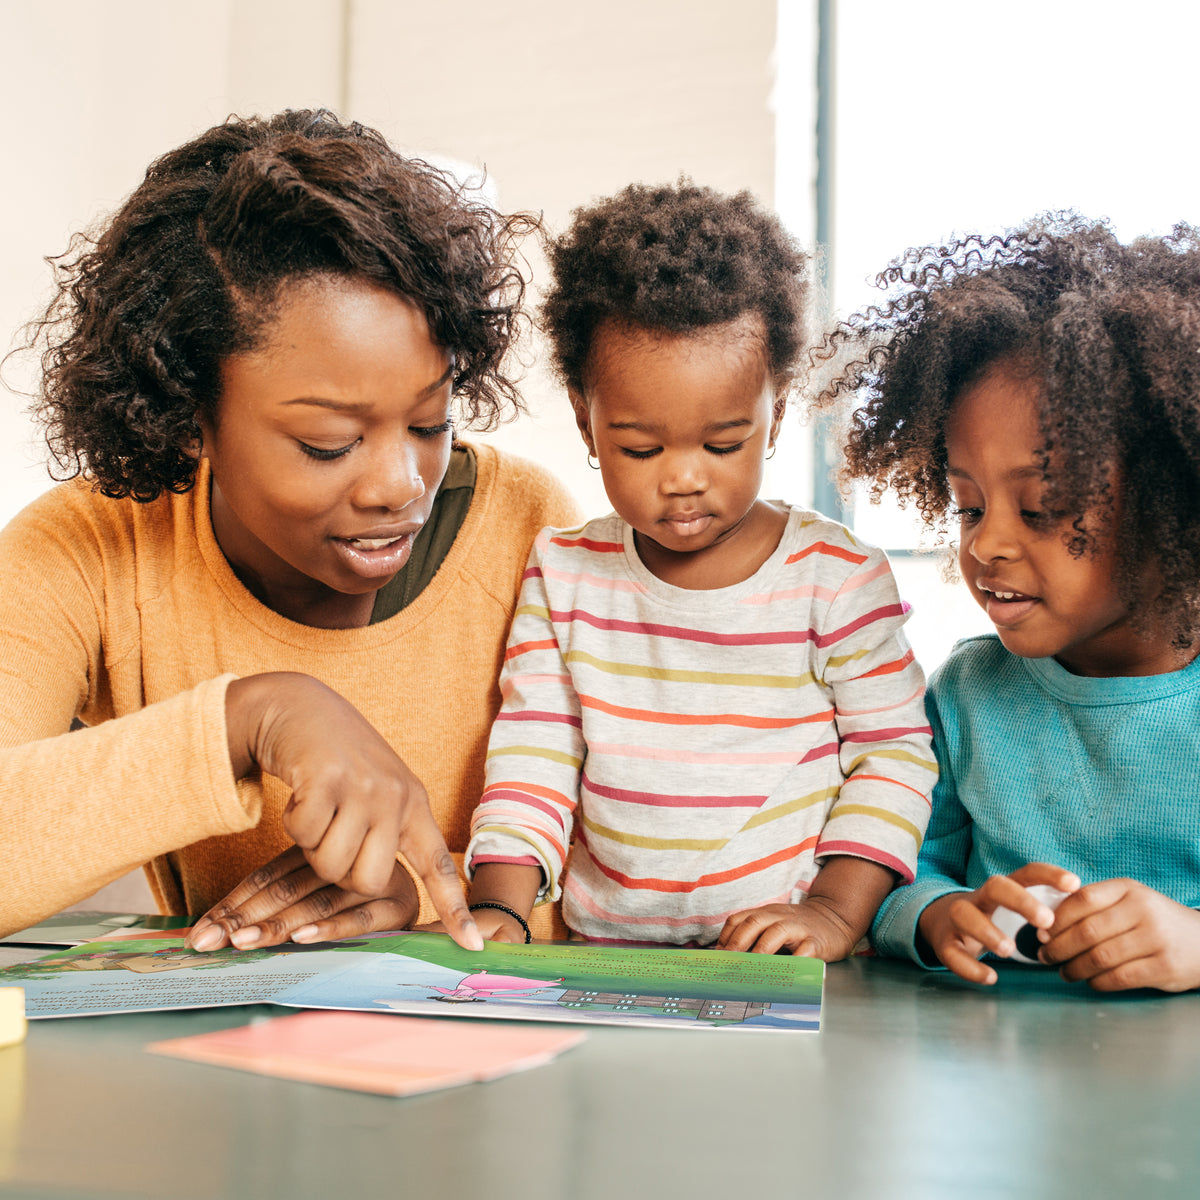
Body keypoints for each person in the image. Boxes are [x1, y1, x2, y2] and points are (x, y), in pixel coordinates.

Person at [0, 110, 578, 951]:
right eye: (329, 443)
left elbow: (648, 871)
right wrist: (252, 717)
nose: (400, 485)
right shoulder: (91, 549)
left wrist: (425, 895)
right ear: (189, 413)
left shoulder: (530, 533)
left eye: (431, 422)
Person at [461, 182, 936, 957]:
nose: (684, 478)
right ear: (585, 420)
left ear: (775, 414)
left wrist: (833, 913)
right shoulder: (565, 573)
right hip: (608, 962)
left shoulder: (836, 578)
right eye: (641, 448)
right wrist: (503, 912)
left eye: (722, 444)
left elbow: (894, 756)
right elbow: (534, 755)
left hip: (792, 963)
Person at [828, 214, 1200, 992]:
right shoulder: (967, 695)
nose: (987, 544)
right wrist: (940, 915)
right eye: (968, 507)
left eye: (1040, 508)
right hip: (993, 1048)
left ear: (1173, 504)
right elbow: (901, 872)